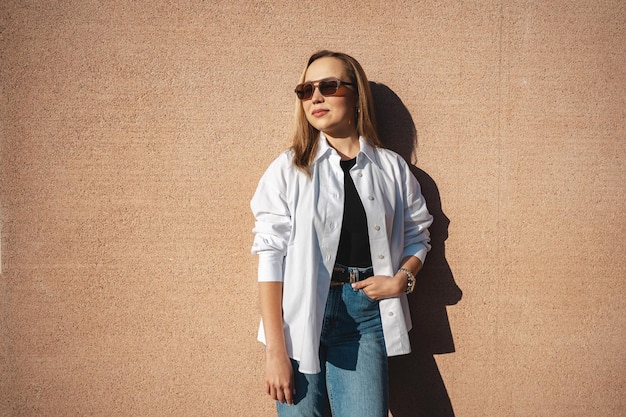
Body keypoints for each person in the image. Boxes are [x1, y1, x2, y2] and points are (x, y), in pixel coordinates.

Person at [250, 50, 433, 417]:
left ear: (356, 96)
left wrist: (403, 279)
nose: (315, 97)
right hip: (300, 315)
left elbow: (419, 234)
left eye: (328, 86)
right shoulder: (289, 168)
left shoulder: (391, 168)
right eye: (306, 89)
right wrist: (276, 351)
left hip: (365, 318)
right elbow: (270, 255)